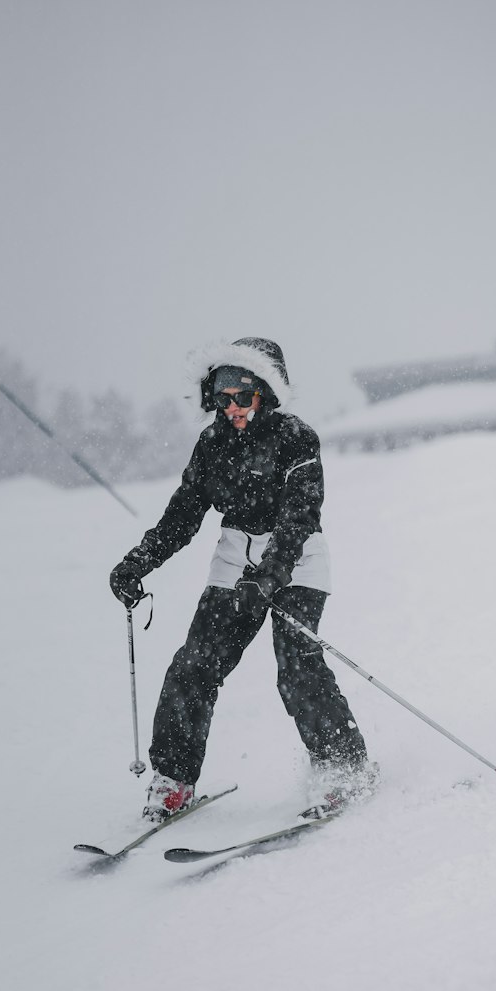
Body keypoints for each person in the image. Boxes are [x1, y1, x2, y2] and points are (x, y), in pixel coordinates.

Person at [109, 336, 375, 822]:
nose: (232, 407)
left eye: (243, 396)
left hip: (297, 562)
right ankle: (173, 781)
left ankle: (343, 768)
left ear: (266, 394)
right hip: (235, 560)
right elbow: (182, 517)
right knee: (194, 664)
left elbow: (299, 516)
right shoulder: (212, 445)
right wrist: (137, 564)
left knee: (296, 666)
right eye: (222, 396)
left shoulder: (297, 437)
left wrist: (271, 576)